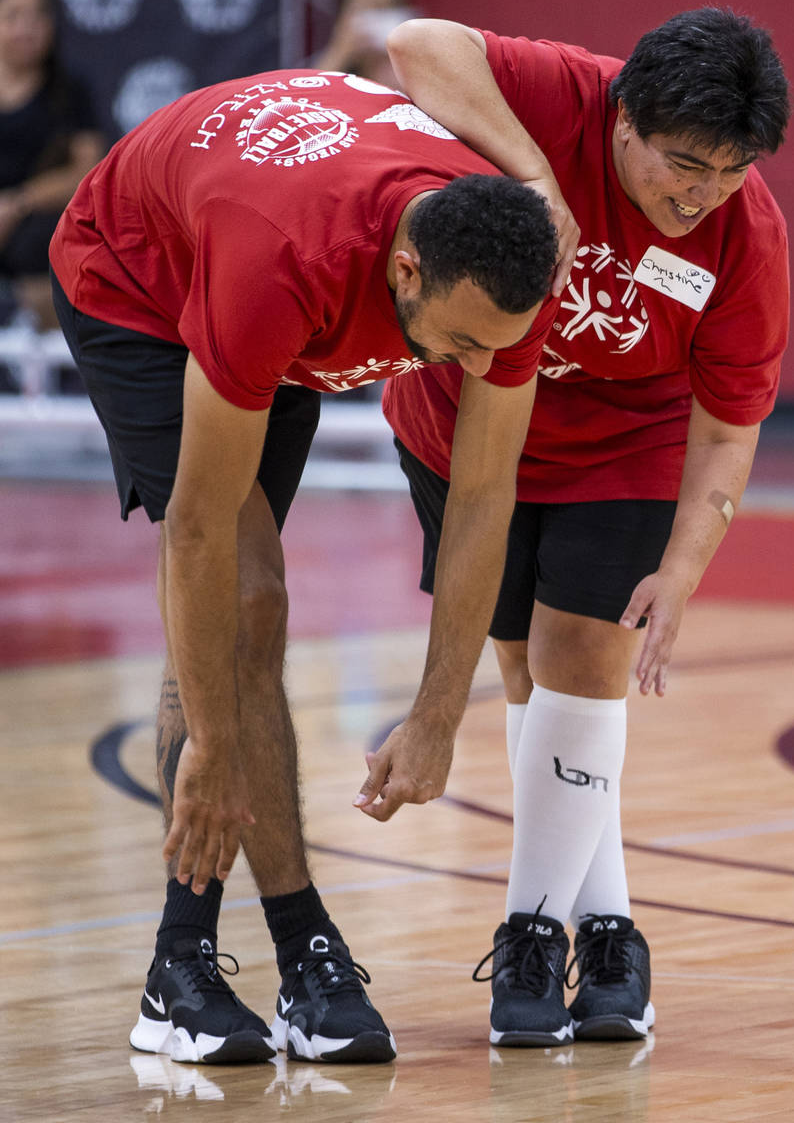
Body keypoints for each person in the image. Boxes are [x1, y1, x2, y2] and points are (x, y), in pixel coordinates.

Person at [49, 68, 559, 1064]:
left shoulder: (506, 278)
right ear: (407, 268)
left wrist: (438, 715)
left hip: (284, 290)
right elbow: (196, 532)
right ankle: (186, 968)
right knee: (247, 595)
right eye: (456, 344)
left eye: (489, 351)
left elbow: (485, 495)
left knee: (246, 615)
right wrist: (206, 745)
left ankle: (291, 957)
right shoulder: (282, 257)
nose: (471, 366)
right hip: (141, 280)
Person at [377, 7, 792, 1047]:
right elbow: (416, 43)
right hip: (464, 429)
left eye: (728, 172)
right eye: (682, 165)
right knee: (528, 680)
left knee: (580, 664)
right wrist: (536, 180)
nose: (699, 195)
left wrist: (686, 569)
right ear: (622, 119)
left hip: (628, 446)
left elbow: (729, 431)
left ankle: (528, 937)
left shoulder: (747, 239)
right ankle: (611, 928)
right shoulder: (562, 89)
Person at [0, 0, 103, 334]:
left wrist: (17, 203)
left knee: (50, 242)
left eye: (38, 16)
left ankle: (41, 371)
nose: (26, 28)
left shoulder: (69, 91)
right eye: (14, 16)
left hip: (37, 220)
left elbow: (87, 170)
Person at [315, 0, 416, 90]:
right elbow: (307, 97)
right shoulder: (333, 69)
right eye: (368, 7)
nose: (378, 18)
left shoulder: (414, 72)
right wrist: (341, 52)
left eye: (387, 7)